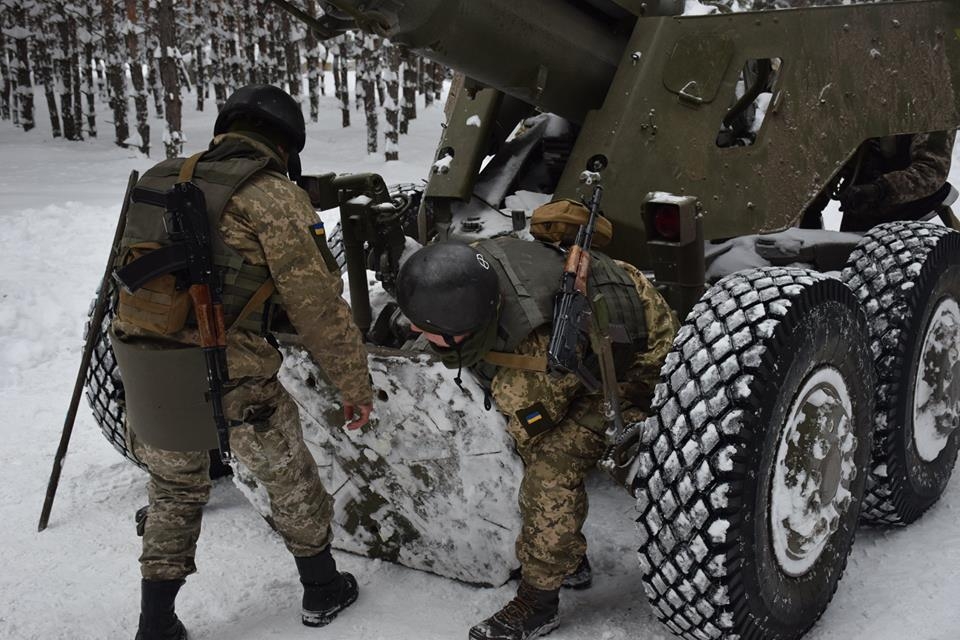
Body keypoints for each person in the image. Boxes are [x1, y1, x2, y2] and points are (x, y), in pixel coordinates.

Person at [110, 85, 374, 640]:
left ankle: (155, 624)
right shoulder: (273, 196)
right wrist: (353, 384)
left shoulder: (159, 177)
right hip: (232, 374)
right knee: (291, 480)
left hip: (149, 367)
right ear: (286, 144)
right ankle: (322, 587)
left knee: (173, 492)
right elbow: (319, 306)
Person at [395, 228, 678, 640]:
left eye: (425, 325)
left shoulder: (528, 356)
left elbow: (529, 430)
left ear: (461, 325)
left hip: (636, 370)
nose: (413, 327)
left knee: (548, 468)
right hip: (600, 319)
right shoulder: (470, 270)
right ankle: (568, 557)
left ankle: (539, 600)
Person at [835, 131, 956, 232]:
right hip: (860, 204)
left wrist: (880, 189)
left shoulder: (930, 112)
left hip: (910, 207)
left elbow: (930, 170)